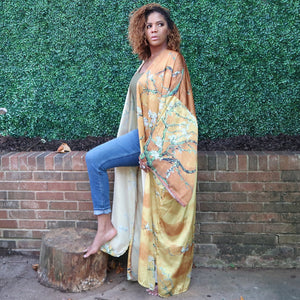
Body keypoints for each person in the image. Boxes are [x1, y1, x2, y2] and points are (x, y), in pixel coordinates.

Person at [84, 3, 198, 297]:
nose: (154, 30)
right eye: (148, 26)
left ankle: (163, 277)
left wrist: (151, 151)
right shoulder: (145, 62)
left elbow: (174, 112)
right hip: (142, 138)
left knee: (159, 212)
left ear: (169, 29)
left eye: (160, 24)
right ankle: (105, 227)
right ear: (142, 32)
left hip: (161, 145)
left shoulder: (173, 60)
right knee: (94, 159)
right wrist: (144, 145)